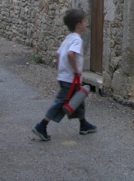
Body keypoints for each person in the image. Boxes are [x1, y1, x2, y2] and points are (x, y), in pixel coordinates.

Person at [32, 8, 97, 141]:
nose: (86, 24)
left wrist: (61, 70)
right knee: (60, 102)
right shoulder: (77, 40)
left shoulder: (68, 38)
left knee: (78, 99)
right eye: (84, 21)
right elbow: (70, 54)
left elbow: (58, 54)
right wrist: (76, 70)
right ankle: (42, 125)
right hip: (70, 78)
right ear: (78, 24)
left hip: (64, 76)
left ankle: (83, 124)